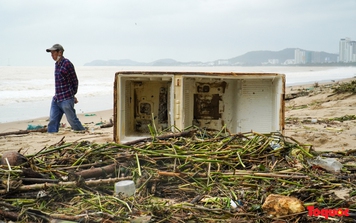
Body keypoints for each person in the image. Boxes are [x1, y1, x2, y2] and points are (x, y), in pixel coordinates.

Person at [46, 44, 86, 133]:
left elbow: (74, 81)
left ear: (60, 52)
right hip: (57, 98)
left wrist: (72, 95)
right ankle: (52, 134)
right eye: (51, 53)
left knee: (72, 120)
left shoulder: (67, 63)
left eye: (53, 53)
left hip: (66, 99)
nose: (52, 55)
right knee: (53, 120)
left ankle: (82, 132)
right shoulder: (57, 64)